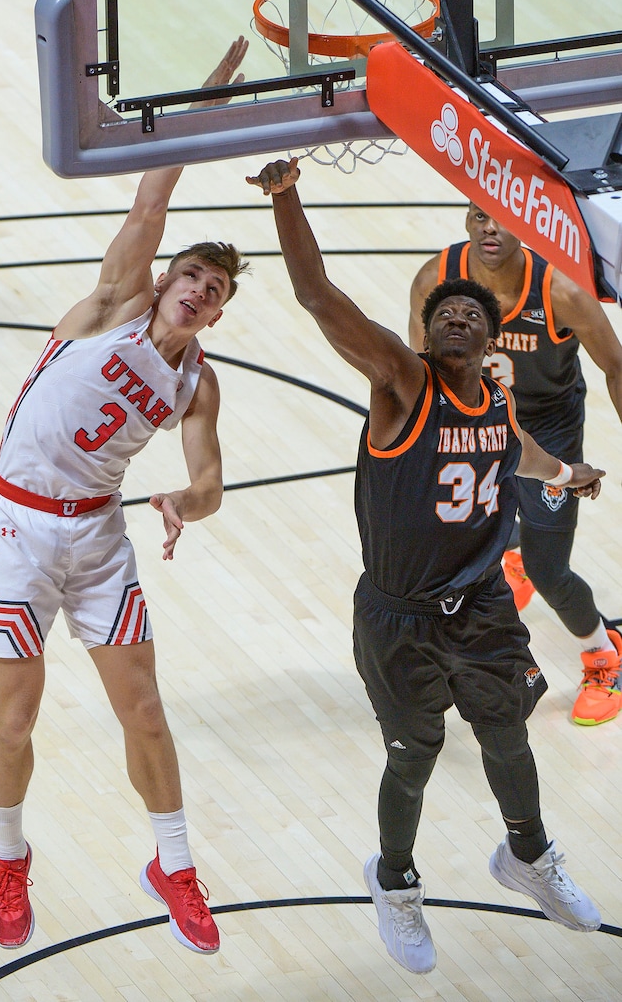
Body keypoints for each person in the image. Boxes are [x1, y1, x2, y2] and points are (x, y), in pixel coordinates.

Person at [247, 156, 603, 976]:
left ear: (489, 340)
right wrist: (287, 196)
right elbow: (318, 298)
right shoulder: (402, 384)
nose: (456, 319)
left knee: (508, 737)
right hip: (397, 612)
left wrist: (569, 474)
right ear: (426, 331)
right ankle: (396, 880)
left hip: (479, 606)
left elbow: (517, 449)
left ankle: (528, 855)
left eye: (470, 317)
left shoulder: (498, 401)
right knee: (414, 755)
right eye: (443, 313)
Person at [0, 38, 250, 955]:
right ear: (163, 283)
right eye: (190, 279)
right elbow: (152, 195)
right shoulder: (110, 307)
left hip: (98, 541)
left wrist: (183, 501)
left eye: (212, 293)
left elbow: (211, 485)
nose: (197, 294)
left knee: (146, 712)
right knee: (15, 715)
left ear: (214, 315)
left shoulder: (195, 384)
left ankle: (174, 865)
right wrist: (209, 98)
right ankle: (7, 857)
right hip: (15, 524)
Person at [409, 203, 622, 726]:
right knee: (459, 525)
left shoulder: (560, 291)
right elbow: (422, 366)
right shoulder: (437, 278)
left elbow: (615, 365)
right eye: (479, 215)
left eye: (502, 218)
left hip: (548, 426)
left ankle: (604, 657)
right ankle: (517, 550)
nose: (490, 227)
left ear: (526, 227)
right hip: (480, 417)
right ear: (466, 220)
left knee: (551, 571)